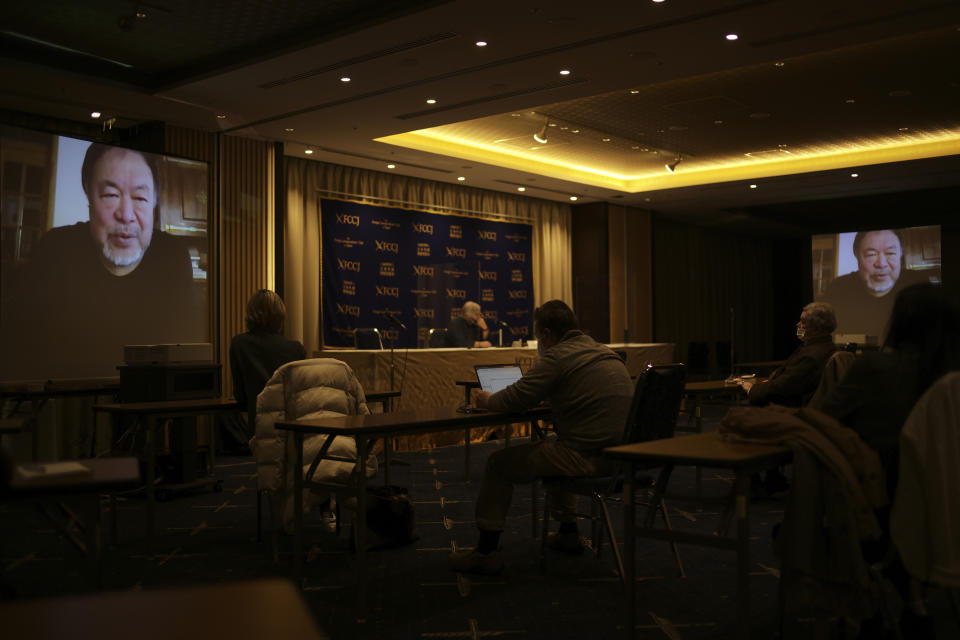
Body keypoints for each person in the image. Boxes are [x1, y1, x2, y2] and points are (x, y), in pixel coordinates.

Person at [448, 300, 634, 575]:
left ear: (547, 335)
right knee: (556, 446)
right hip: (626, 457)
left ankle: (487, 552)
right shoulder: (603, 352)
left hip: (591, 458)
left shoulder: (558, 356)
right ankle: (569, 533)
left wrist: (487, 400)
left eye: (538, 336)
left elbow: (515, 397)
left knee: (498, 464)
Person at [1, 143, 202, 380]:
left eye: (140, 197)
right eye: (110, 195)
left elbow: (186, 362)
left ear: (155, 202)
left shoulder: (173, 257)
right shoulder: (54, 251)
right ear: (89, 196)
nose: (126, 214)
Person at [823, 229, 930, 342]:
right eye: (871, 254)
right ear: (856, 255)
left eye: (890, 253)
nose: (881, 264)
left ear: (901, 253)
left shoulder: (919, 284)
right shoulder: (838, 289)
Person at [230, 289, 306, 441]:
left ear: (250, 314)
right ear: (280, 316)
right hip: (292, 424)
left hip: (259, 425)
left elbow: (240, 394)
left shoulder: (240, 344)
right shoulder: (297, 348)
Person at [741, 302, 838, 408]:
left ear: (817, 328)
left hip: (789, 409)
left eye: (803, 321)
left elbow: (784, 386)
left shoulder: (812, 355)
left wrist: (752, 389)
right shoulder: (827, 347)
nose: (798, 324)